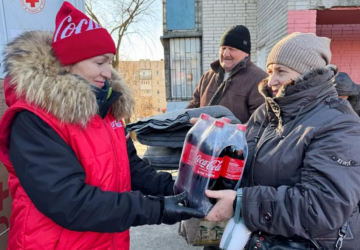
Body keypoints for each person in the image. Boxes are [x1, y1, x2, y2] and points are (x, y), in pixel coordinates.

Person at [0, 2, 204, 250]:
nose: (108, 72)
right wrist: (156, 209)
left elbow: (132, 168)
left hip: (105, 241)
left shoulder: (106, 109)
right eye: (100, 62)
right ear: (68, 62)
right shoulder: (33, 119)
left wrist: (178, 189)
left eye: (110, 61)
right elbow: (69, 202)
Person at [205, 32, 360, 250]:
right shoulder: (266, 112)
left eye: (281, 71)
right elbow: (249, 163)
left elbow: (322, 208)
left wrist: (241, 203)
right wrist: (217, 137)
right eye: (270, 71)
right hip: (260, 236)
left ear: (308, 73)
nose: (271, 80)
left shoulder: (339, 124)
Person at [186, 25, 267, 123]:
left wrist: (227, 129)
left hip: (234, 137)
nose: (225, 54)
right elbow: (194, 106)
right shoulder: (207, 76)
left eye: (232, 49)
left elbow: (259, 123)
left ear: (246, 53)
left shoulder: (259, 79)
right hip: (200, 137)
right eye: (223, 48)